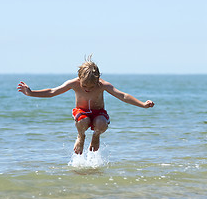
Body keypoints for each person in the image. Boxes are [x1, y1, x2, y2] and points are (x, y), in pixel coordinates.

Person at [17, 55, 154, 155]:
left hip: (98, 113)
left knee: (100, 123)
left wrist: (142, 104)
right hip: (81, 112)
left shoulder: (102, 85)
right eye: (84, 86)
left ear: (97, 80)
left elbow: (123, 96)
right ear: (79, 78)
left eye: (91, 86)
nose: (87, 89)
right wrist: (31, 93)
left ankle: (96, 136)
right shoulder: (73, 83)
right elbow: (53, 91)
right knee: (84, 121)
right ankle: (81, 136)